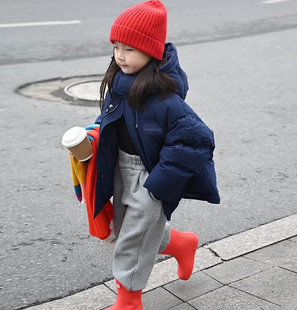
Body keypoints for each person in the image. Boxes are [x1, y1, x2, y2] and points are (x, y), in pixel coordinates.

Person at [93, 1, 220, 309]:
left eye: (130, 49)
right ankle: (182, 244)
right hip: (122, 172)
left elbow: (197, 141)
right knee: (128, 231)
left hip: (149, 177)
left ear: (151, 51)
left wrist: (158, 186)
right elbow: (110, 121)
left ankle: (129, 301)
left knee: (132, 243)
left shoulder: (165, 98)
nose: (120, 56)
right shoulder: (120, 84)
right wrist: (92, 137)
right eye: (116, 47)